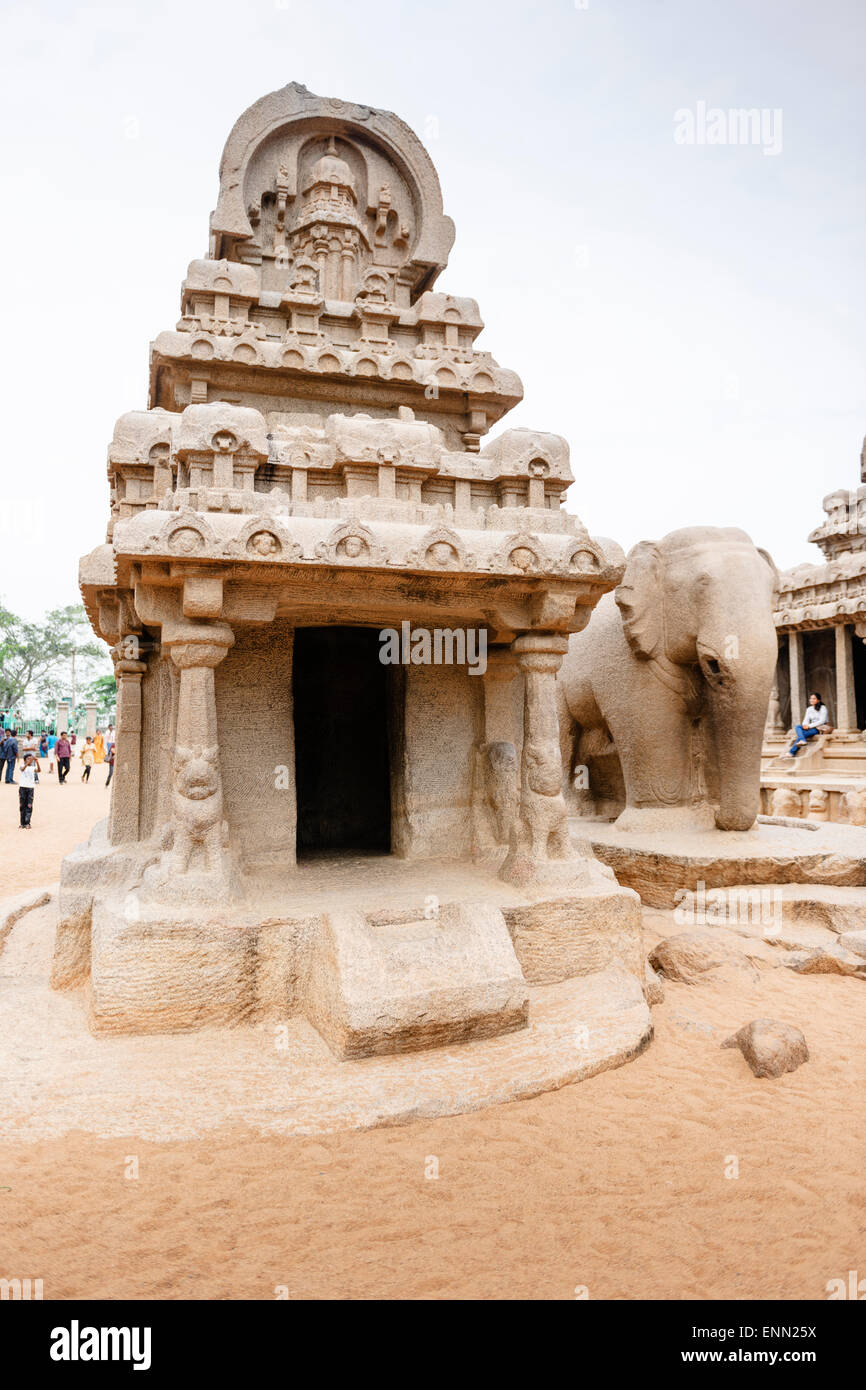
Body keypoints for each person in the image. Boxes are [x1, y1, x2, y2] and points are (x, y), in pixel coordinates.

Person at [788, 692, 831, 756]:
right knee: (797, 727)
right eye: (811, 698)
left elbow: (822, 721)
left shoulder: (823, 708)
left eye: (814, 699)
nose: (811, 700)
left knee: (803, 734)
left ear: (818, 700)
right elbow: (806, 720)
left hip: (819, 728)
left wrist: (809, 726)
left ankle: (791, 752)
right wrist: (805, 725)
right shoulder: (809, 709)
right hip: (811, 727)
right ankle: (802, 741)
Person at [18, 753, 39, 828]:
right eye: (28, 759)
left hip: (30, 788)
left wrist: (36, 762)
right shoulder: (22, 766)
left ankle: (27, 822)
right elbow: (22, 769)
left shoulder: (33, 767)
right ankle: (22, 822)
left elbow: (39, 770)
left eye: (31, 759)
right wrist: (27, 763)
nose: (30, 760)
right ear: (24, 760)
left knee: (29, 805)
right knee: (22, 805)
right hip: (22, 788)